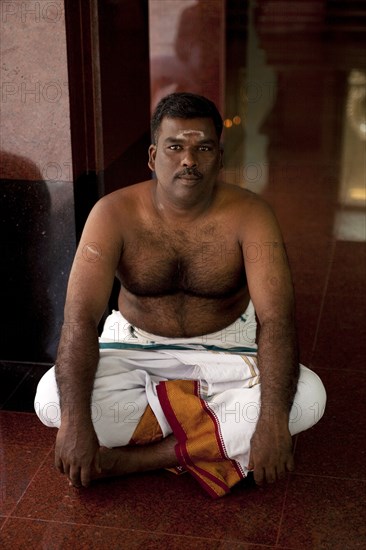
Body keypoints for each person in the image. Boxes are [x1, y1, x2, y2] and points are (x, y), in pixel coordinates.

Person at [35, 92, 326, 498]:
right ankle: (213, 439)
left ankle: (134, 459)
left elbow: (276, 319)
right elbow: (81, 319)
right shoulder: (112, 213)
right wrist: (76, 424)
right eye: (176, 147)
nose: (189, 160)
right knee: (51, 402)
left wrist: (273, 422)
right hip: (134, 345)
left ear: (220, 159)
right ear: (154, 157)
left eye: (203, 148)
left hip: (227, 348)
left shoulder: (251, 215)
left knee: (309, 400)